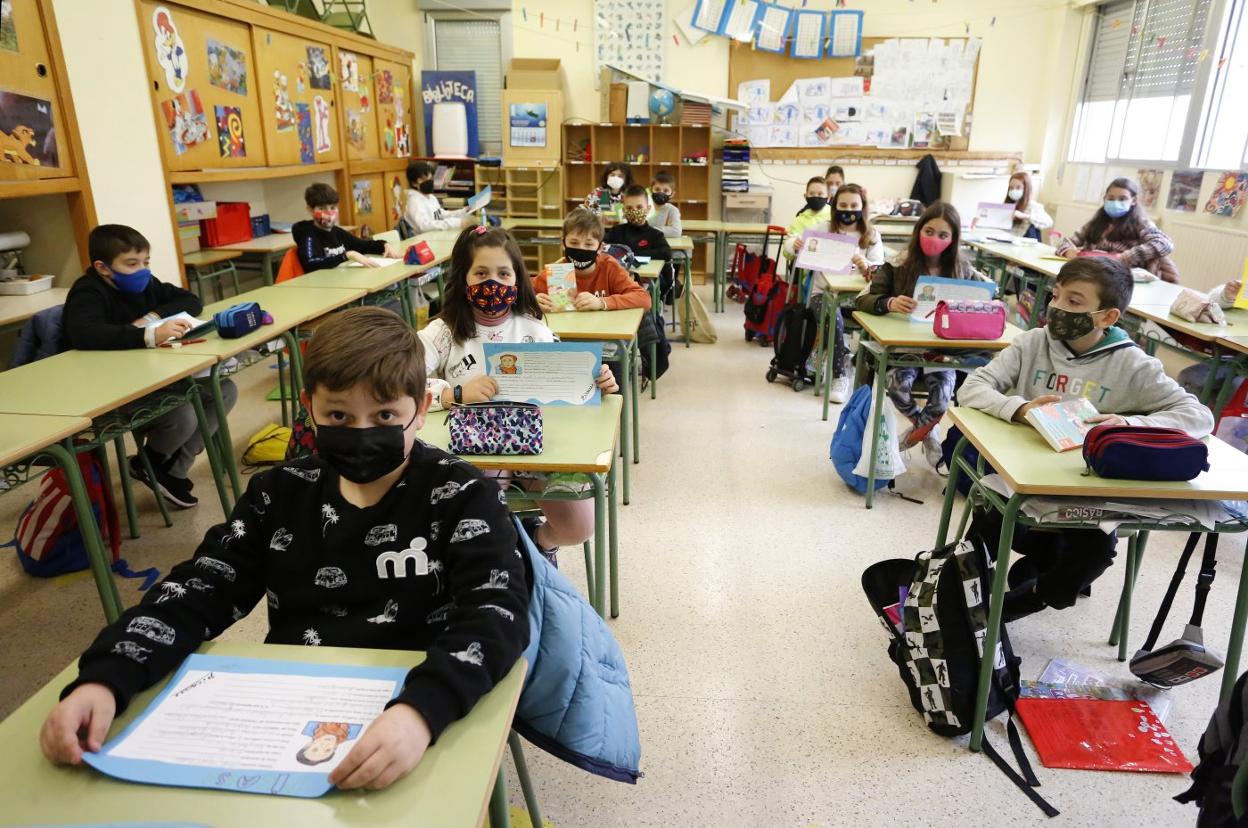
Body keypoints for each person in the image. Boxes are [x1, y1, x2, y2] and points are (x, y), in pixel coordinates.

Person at [39, 306, 531, 792]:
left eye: (385, 415)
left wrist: (422, 712)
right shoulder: (280, 492)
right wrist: (106, 676)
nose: (360, 433)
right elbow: (203, 586)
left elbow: (496, 613)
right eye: (338, 415)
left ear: (422, 409)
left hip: (416, 703)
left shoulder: (463, 494)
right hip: (291, 707)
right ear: (309, 406)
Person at [959, 257, 1213, 621]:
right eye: (1057, 295)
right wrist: (1021, 408)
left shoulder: (1131, 364)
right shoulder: (1032, 343)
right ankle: (965, 592)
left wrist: (1126, 424)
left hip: (1088, 494)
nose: (1058, 307)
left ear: (1108, 317)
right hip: (1022, 481)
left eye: (1075, 302)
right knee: (989, 520)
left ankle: (1032, 596)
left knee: (1093, 552)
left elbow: (1198, 415)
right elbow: (973, 387)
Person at [418, 226, 619, 565]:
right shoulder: (443, 332)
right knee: (482, 510)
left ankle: (537, 544)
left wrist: (594, 379)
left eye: (502, 273)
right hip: (474, 450)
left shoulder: (533, 326)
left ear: (516, 279)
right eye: (480, 273)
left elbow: (566, 380)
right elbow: (400, 382)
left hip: (537, 447)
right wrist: (454, 393)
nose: (492, 283)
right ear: (463, 277)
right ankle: (497, 555)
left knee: (580, 525)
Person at [63, 224, 237, 509]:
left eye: (146, 262)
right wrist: (149, 334)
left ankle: (168, 469)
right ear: (103, 268)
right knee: (183, 415)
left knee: (225, 389)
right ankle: (151, 462)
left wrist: (151, 317)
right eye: (132, 263)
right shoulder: (88, 291)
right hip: (112, 386)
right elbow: (85, 334)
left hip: (152, 375)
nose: (142, 270)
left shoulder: (144, 282)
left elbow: (191, 299)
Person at [854, 201, 986, 465]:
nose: (934, 239)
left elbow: (987, 299)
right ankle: (927, 432)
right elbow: (863, 299)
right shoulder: (897, 264)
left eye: (943, 235)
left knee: (942, 398)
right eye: (929, 231)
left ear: (953, 239)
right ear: (918, 231)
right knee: (897, 386)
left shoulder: (964, 271)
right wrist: (889, 303)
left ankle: (913, 436)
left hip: (942, 352)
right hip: (904, 349)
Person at [538, 206, 666, 383]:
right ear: (563, 243)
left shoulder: (608, 266)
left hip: (608, 342)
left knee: (613, 384)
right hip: (567, 343)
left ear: (600, 247)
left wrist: (602, 302)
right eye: (574, 243)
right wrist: (534, 302)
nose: (581, 248)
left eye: (589, 244)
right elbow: (519, 296)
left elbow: (644, 298)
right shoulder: (557, 271)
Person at [790, 183, 884, 404]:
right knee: (834, 317)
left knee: (876, 321)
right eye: (843, 205)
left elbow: (880, 272)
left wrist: (866, 265)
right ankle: (840, 375)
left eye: (854, 205)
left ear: (862, 207)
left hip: (859, 297)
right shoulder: (822, 230)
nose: (848, 209)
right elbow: (793, 251)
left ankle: (859, 366)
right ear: (834, 206)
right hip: (822, 294)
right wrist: (794, 245)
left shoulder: (871, 235)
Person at [1056, 177, 1178, 282]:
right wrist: (1067, 251)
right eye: (1111, 198)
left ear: (1133, 200)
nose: (1116, 203)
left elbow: (1164, 244)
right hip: (1094, 275)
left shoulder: (1141, 223)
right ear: (1105, 199)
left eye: (1122, 199)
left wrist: (1126, 257)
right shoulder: (1096, 223)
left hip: (1124, 280)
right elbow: (1065, 242)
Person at [293, 182, 399, 272]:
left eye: (333, 207)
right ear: (310, 210)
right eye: (321, 208)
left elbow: (364, 245)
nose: (329, 213)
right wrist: (345, 256)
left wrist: (384, 245)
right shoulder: (307, 235)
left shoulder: (338, 232)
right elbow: (311, 263)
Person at [1177, 279, 1245, 399]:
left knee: (1233, 390)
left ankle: (1213, 415)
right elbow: (1211, 300)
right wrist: (1226, 296)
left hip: (1239, 359)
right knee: (1189, 379)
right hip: (1234, 355)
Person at [402, 160, 470, 234]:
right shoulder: (414, 201)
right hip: (420, 240)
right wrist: (455, 223)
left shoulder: (431, 197)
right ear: (414, 183)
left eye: (430, 178)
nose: (428, 181)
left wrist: (463, 211)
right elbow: (424, 226)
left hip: (434, 236)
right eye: (424, 179)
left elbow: (440, 214)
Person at [1003, 171, 1052, 239]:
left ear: (1026, 188)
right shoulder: (1008, 205)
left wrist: (1025, 216)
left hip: (1023, 242)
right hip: (1008, 239)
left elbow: (1048, 222)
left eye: (1018, 187)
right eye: (1011, 188)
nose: (1014, 190)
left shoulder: (1033, 206)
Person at [648, 171, 682, 239]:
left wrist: (649, 230)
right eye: (657, 189)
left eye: (666, 191)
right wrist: (666, 229)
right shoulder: (644, 208)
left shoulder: (673, 210)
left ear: (672, 194)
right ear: (651, 190)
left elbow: (676, 232)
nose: (661, 193)